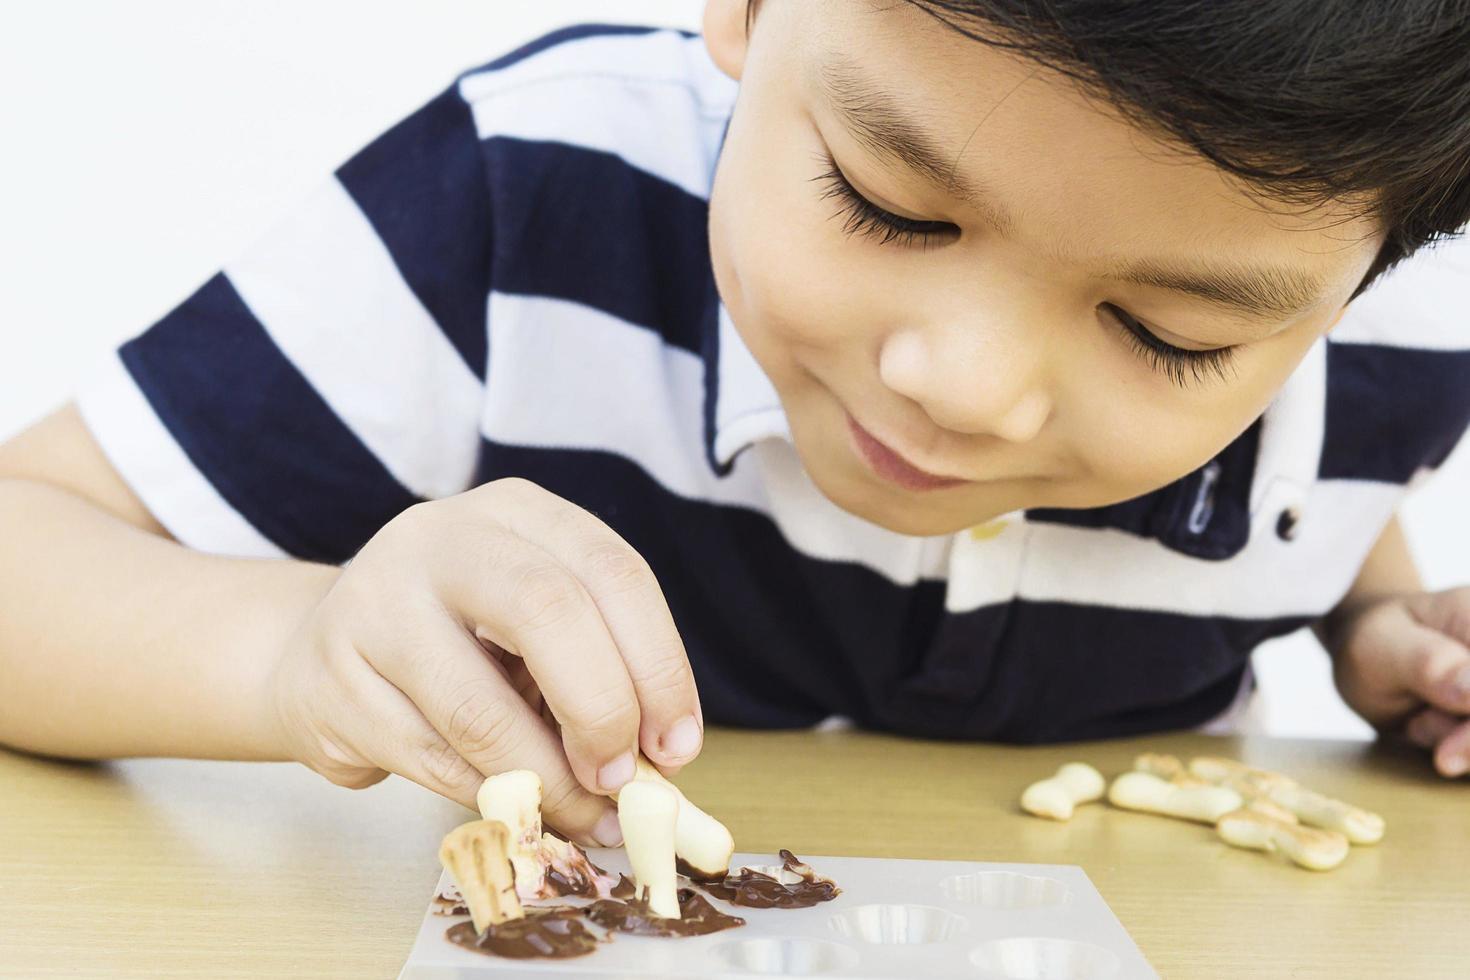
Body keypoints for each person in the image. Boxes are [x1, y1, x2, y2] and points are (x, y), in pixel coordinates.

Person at [1, 1, 1467, 848]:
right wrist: (292, 655)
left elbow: (1321, 500)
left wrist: (1377, 628)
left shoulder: (1386, 355)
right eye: (889, 204)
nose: (962, 388)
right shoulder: (523, 199)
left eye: (1172, 337)